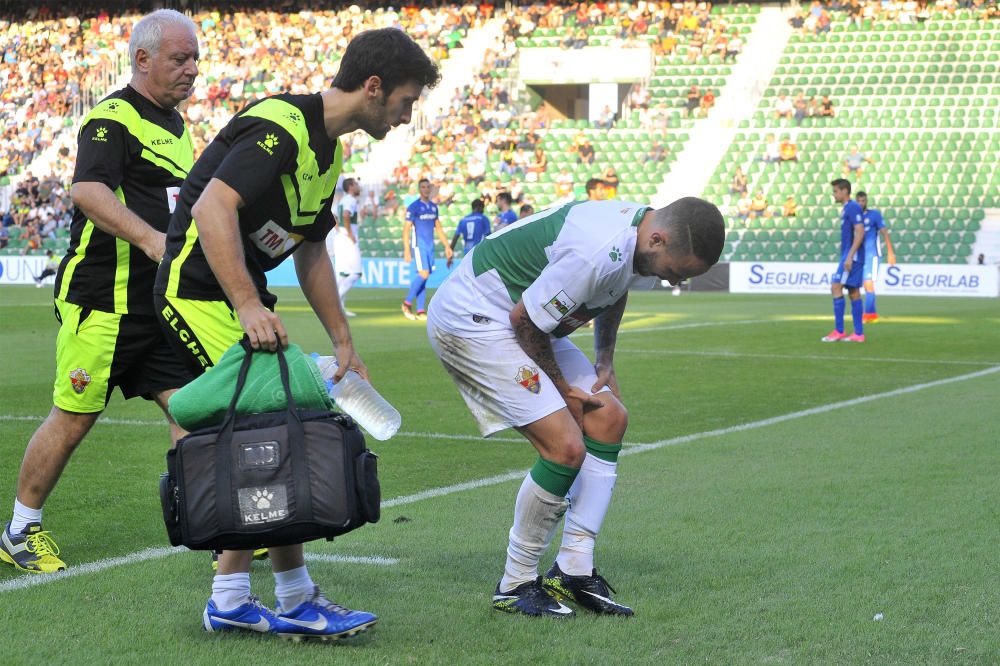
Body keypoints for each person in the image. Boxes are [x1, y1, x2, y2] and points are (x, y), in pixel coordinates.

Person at [153, 27, 440, 639]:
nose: (407, 115)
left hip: (235, 295)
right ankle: (255, 595)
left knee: (280, 423)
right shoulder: (282, 126)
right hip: (198, 289)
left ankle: (272, 594)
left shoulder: (328, 152)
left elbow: (311, 252)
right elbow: (210, 209)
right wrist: (250, 303)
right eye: (406, 101)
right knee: (269, 426)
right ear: (373, 87)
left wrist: (344, 342)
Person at [425, 197, 724, 618]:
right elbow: (525, 321)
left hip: (519, 316)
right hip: (474, 319)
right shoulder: (597, 250)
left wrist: (605, 356)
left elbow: (614, 288)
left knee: (609, 418)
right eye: (675, 273)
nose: (674, 283)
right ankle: (515, 583)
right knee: (565, 447)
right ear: (658, 239)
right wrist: (563, 390)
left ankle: (572, 568)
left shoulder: (638, 239)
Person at [0, 10, 199, 575]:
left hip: (155, 305)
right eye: (179, 59)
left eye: (194, 60)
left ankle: (211, 522)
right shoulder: (112, 118)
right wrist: (153, 241)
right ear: (142, 60)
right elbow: (88, 190)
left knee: (190, 407)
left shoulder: (177, 127)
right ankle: (20, 530)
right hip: (101, 302)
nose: (191, 70)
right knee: (73, 418)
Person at [822, 179, 866, 343]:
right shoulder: (847, 208)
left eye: (835, 191)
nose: (833, 194)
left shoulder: (853, 207)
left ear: (844, 191)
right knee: (853, 292)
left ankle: (839, 331)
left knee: (835, 287)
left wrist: (849, 256)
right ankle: (858, 334)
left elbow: (860, 232)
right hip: (850, 255)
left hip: (852, 256)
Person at [402, 178, 453, 320]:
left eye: (427, 187)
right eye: (423, 187)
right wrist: (406, 249)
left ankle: (420, 310)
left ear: (430, 189)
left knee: (425, 277)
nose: (425, 189)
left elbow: (438, 227)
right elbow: (406, 229)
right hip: (419, 245)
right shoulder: (413, 207)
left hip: (430, 246)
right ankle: (406, 303)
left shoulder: (433, 207)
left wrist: (447, 246)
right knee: (423, 274)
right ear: (419, 189)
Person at [856, 191, 895, 323]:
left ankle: (869, 315)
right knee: (864, 286)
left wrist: (890, 252)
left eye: (863, 201)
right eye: (859, 201)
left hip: (872, 255)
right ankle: (871, 315)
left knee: (869, 284)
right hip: (859, 256)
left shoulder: (874, 215)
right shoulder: (855, 218)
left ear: (866, 201)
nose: (862, 203)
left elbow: (884, 232)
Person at [330, 177, 363, 317]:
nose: (358, 186)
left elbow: (334, 216)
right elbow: (345, 215)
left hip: (340, 238)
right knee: (356, 273)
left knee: (342, 274)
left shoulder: (342, 199)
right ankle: (334, 304)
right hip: (347, 239)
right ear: (350, 187)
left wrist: (340, 230)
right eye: (356, 184)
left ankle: (340, 309)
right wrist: (350, 234)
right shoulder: (350, 199)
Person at [448, 198, 491, 267]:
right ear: (479, 208)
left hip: (467, 253)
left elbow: (455, 237)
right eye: (483, 208)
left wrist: (450, 254)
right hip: (479, 252)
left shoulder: (463, 220)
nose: (483, 211)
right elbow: (489, 236)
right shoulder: (483, 218)